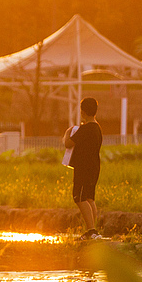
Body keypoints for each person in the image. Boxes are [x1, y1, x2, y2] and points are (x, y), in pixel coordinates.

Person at [63, 97, 103, 239]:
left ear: (83, 112)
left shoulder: (84, 129)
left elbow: (68, 143)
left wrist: (68, 131)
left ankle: (91, 230)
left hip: (83, 168)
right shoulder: (97, 128)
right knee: (89, 198)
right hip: (94, 167)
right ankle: (93, 231)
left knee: (78, 197)